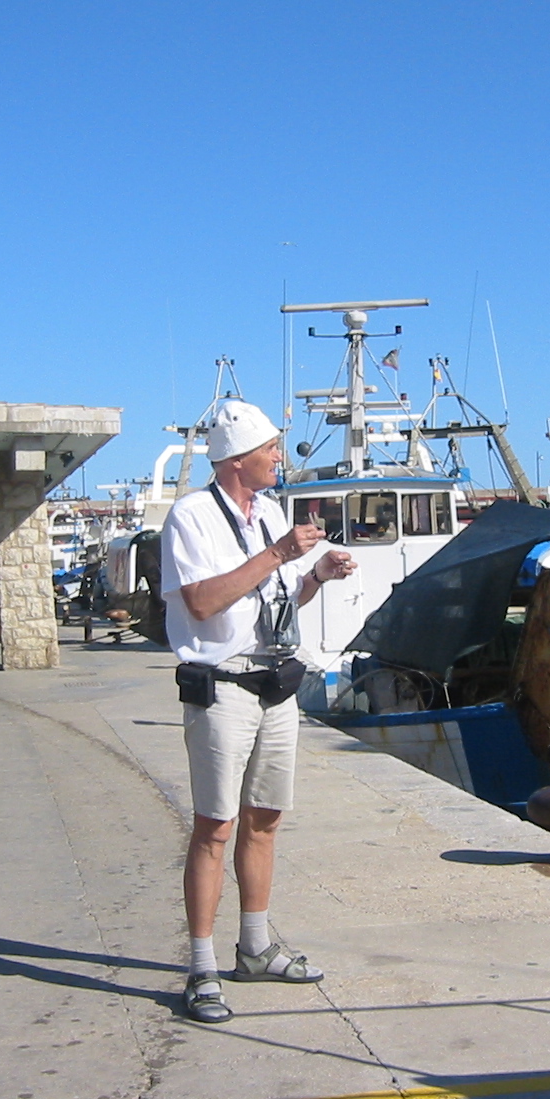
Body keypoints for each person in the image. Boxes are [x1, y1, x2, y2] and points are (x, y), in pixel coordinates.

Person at [160, 400, 356, 1024]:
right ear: (238, 457)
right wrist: (277, 553)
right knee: (214, 827)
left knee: (264, 820)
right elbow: (201, 602)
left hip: (275, 684)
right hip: (221, 688)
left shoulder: (269, 511)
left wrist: (316, 575)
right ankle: (200, 967)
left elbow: (272, 602)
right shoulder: (191, 516)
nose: (279, 456)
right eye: (271, 448)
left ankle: (255, 946)